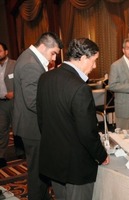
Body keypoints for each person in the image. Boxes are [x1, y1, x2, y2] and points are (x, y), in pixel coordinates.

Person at [36, 38, 109, 199]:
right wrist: (102, 155)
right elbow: (87, 132)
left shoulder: (45, 78)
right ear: (83, 58)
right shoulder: (80, 88)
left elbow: (42, 120)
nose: (95, 66)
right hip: (76, 166)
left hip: (54, 159)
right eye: (94, 60)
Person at [13, 32, 63, 200]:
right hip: (32, 127)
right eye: (53, 53)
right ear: (43, 46)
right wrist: (56, 113)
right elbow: (33, 102)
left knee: (40, 171)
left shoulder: (29, 57)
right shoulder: (31, 64)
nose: (54, 58)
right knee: (37, 173)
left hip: (30, 125)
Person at [0, 42, 25, 168]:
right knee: (2, 129)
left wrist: (15, 92)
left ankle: (21, 152)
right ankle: (1, 156)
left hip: (15, 101)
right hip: (1, 103)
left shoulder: (15, 65)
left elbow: (22, 81)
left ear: (6, 52)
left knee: (17, 127)